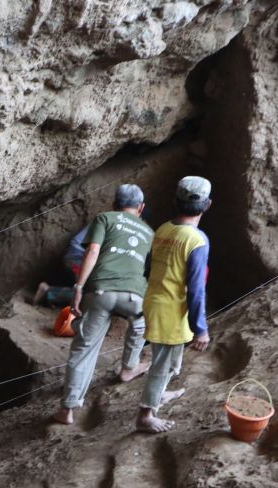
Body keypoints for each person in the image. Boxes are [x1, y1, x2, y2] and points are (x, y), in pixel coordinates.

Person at [53, 184, 153, 425]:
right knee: (140, 325)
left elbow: (93, 251)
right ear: (141, 208)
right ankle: (129, 366)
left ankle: (68, 409)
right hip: (134, 294)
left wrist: (78, 288)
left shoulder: (104, 218)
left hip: (100, 290)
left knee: (85, 347)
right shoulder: (149, 232)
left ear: (114, 204)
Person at [136, 177, 212, 433]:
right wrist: (200, 328)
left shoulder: (162, 230)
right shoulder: (197, 240)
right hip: (171, 307)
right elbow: (196, 288)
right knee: (163, 363)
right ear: (207, 205)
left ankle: (160, 394)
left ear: (175, 201)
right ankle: (146, 415)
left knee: (172, 361)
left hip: (155, 300)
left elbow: (148, 268)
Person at [32, 226, 90, 305]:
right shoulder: (108, 223)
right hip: (77, 256)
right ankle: (47, 292)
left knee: (89, 289)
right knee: (89, 291)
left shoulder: (107, 219)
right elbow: (94, 252)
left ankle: (50, 293)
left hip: (75, 254)